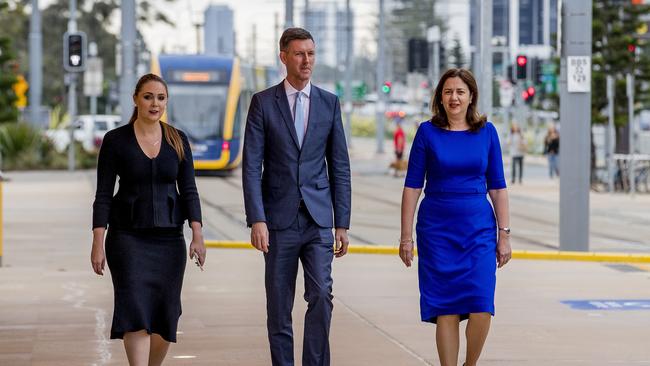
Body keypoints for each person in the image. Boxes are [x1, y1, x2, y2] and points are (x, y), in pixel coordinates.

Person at [242, 27, 351, 366]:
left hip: (318, 219)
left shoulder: (329, 103)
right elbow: (251, 165)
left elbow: (340, 166)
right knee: (278, 305)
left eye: (311, 54)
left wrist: (342, 223)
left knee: (322, 295)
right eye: (300, 54)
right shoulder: (262, 103)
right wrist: (257, 219)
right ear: (284, 57)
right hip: (278, 221)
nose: (307, 60)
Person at [90, 73, 206, 366]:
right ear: (136, 100)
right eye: (148, 97)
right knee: (135, 311)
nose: (155, 103)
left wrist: (197, 234)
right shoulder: (115, 141)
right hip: (127, 239)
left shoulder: (178, 140)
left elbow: (189, 189)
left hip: (169, 240)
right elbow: (103, 194)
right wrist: (98, 242)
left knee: (167, 315)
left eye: (161, 98)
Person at [399, 68, 511, 366]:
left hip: (478, 230)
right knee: (445, 307)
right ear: (440, 97)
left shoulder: (487, 132)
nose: (454, 97)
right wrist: (406, 237)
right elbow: (412, 187)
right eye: (448, 91)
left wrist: (505, 235)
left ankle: (469, 364)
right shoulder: (427, 132)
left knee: (481, 304)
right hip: (437, 230)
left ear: (471, 95)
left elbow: (498, 188)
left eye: (460, 91)